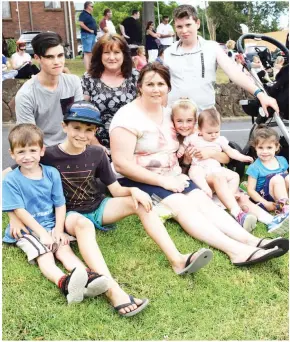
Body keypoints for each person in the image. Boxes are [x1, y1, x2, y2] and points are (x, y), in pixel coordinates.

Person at [39, 101, 216, 315]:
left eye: (88, 130)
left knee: (140, 203)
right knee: (84, 225)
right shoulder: (48, 155)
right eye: (76, 128)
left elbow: (114, 189)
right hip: (70, 214)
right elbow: (15, 172)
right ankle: (113, 291)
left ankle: (177, 260)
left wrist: (133, 192)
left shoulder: (96, 153)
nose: (82, 135)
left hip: (99, 206)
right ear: (64, 126)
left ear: (95, 131)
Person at [109, 62, 289, 268]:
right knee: (183, 205)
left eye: (161, 83)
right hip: (139, 178)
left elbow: (192, 143)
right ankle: (236, 251)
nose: (156, 89)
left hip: (175, 175)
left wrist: (188, 159)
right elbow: (121, 164)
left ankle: (253, 241)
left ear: (168, 87)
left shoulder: (168, 113)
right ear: (139, 86)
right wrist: (163, 181)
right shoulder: (127, 117)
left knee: (203, 201)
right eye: (150, 84)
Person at [3, 124, 110, 304]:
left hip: (51, 223)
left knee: (64, 249)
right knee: (44, 254)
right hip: (27, 229)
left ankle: (88, 277)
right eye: (21, 152)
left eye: (32, 150)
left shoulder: (51, 173)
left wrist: (58, 231)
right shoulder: (11, 180)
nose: (27, 157)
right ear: (12, 154)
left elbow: (60, 204)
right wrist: (43, 235)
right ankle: (64, 282)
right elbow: (20, 211)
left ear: (42, 151)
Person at [163, 4, 280, 116]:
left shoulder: (212, 47)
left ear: (197, 23)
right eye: (179, 26)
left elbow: (234, 72)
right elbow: (162, 87)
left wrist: (259, 94)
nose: (184, 30)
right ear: (175, 27)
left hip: (205, 120)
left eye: (188, 25)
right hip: (175, 119)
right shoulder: (168, 52)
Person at [173, 102, 257, 231]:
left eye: (216, 131)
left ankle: (229, 194)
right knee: (195, 174)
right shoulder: (193, 137)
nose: (213, 135)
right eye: (210, 132)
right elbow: (183, 146)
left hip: (215, 168)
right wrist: (181, 151)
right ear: (200, 130)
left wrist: (242, 157)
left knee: (234, 176)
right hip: (199, 167)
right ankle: (207, 192)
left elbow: (230, 152)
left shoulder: (220, 139)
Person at [15, 32, 83, 147]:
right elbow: (29, 138)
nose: (57, 62)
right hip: (41, 152)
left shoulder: (74, 82)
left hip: (73, 146)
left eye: (60, 55)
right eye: (50, 57)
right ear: (37, 58)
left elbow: (81, 123)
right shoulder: (26, 94)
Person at [81, 34, 139, 151]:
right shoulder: (89, 79)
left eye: (116, 52)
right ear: (99, 55)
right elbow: (82, 115)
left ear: (124, 55)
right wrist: (95, 144)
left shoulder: (136, 77)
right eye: (106, 53)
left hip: (133, 143)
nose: (112, 57)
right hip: (96, 145)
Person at [246, 125, 289, 235]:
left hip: (281, 191)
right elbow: (250, 190)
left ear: (276, 147)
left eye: (269, 148)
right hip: (266, 195)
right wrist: (265, 203)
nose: (265, 151)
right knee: (277, 179)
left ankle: (286, 202)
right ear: (255, 147)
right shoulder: (255, 167)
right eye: (261, 148)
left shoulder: (282, 160)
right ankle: (285, 210)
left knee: (287, 177)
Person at [79, 1, 98, 71]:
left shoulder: (89, 15)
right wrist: (89, 30)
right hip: (87, 35)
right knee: (87, 52)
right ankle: (88, 70)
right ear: (87, 7)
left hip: (92, 35)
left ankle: (91, 68)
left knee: (91, 52)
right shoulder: (83, 14)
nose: (93, 8)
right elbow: (81, 23)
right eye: (92, 6)